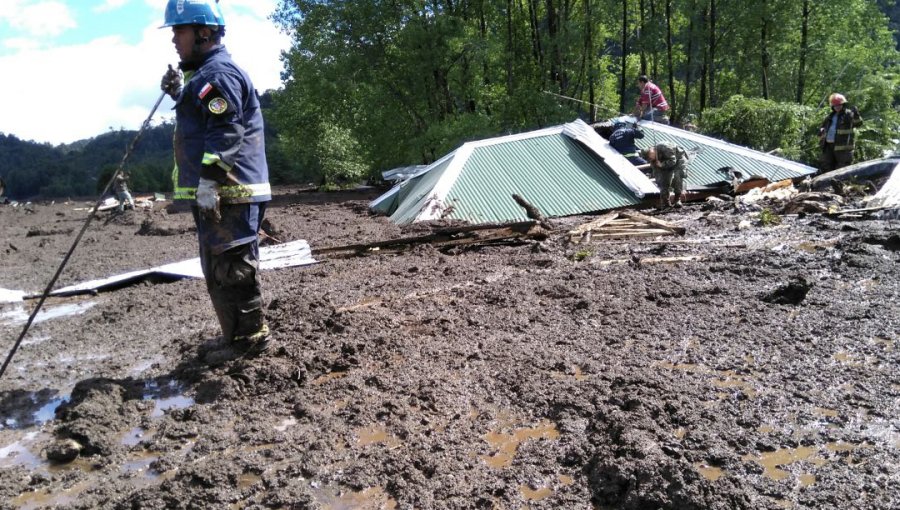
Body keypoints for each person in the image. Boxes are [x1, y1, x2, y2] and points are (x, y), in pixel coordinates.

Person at [159, 0, 272, 347]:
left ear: (204, 33)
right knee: (219, 268)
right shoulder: (204, 76)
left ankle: (250, 339)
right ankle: (234, 336)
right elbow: (206, 118)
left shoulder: (216, 75)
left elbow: (225, 131)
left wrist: (209, 180)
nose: (174, 39)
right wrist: (179, 93)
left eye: (180, 30)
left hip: (229, 190)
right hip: (220, 191)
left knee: (234, 269)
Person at [818, 93, 862, 173]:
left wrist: (856, 114)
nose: (837, 107)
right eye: (835, 106)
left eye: (839, 105)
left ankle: (841, 184)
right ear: (832, 106)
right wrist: (821, 131)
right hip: (828, 146)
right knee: (826, 165)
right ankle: (827, 183)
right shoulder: (830, 116)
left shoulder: (848, 114)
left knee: (842, 169)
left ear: (843, 104)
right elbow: (823, 127)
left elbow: (858, 123)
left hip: (843, 147)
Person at [640, 141, 689, 208]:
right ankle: (666, 202)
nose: (649, 159)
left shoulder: (665, 147)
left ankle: (677, 200)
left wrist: (662, 164)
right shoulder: (652, 160)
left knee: (677, 177)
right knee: (663, 181)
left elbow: (672, 161)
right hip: (664, 163)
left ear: (651, 151)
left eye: (649, 156)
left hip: (678, 160)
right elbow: (658, 176)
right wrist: (662, 188)